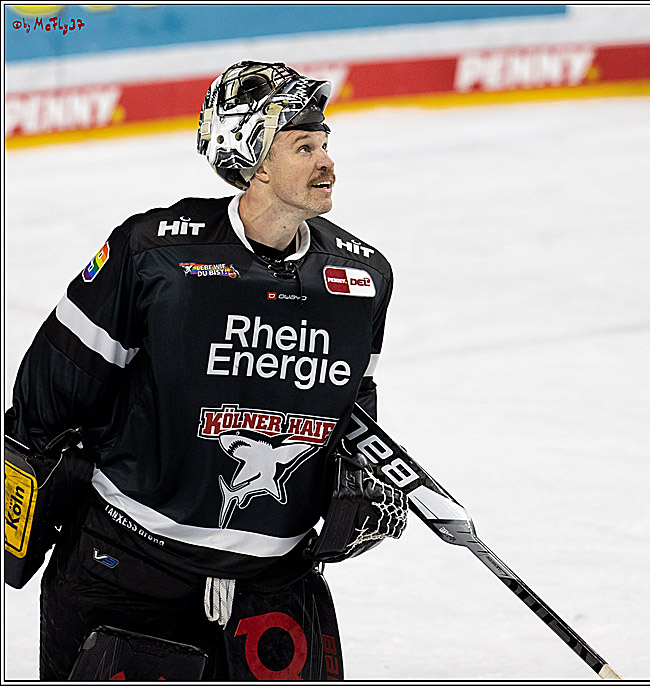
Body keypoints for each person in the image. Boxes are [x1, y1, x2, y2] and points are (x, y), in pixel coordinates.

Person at [4, 61, 407, 680]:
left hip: (274, 593)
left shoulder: (362, 279)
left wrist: (358, 482)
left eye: (326, 144)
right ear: (255, 159)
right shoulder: (156, 253)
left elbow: (347, 411)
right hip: (128, 576)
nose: (327, 161)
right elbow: (48, 398)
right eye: (304, 147)